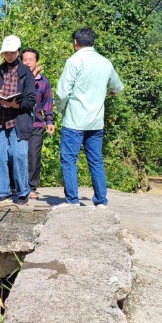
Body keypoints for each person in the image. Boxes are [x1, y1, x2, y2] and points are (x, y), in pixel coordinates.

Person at [54, 27, 124, 209]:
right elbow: (118, 87)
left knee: (69, 159)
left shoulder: (74, 61)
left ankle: (72, 201)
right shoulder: (105, 62)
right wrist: (110, 92)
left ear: (75, 43)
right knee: (95, 159)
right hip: (96, 121)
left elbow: (62, 93)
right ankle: (101, 201)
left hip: (74, 120)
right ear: (93, 42)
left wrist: (62, 111)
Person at [0, 35, 36, 204]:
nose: (9, 56)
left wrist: (16, 105)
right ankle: (0, 191)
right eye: (6, 53)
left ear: (18, 52)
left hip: (18, 120)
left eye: (12, 52)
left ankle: (22, 192)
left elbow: (31, 99)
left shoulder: (26, 73)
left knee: (19, 155)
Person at [21, 48, 55, 199]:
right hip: (19, 122)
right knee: (18, 155)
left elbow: (47, 101)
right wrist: (30, 78)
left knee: (34, 156)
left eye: (31, 59)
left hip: (37, 124)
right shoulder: (17, 78)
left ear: (36, 62)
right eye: (25, 59)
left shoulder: (44, 81)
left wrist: (49, 120)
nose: (27, 62)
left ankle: (32, 187)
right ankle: (17, 185)